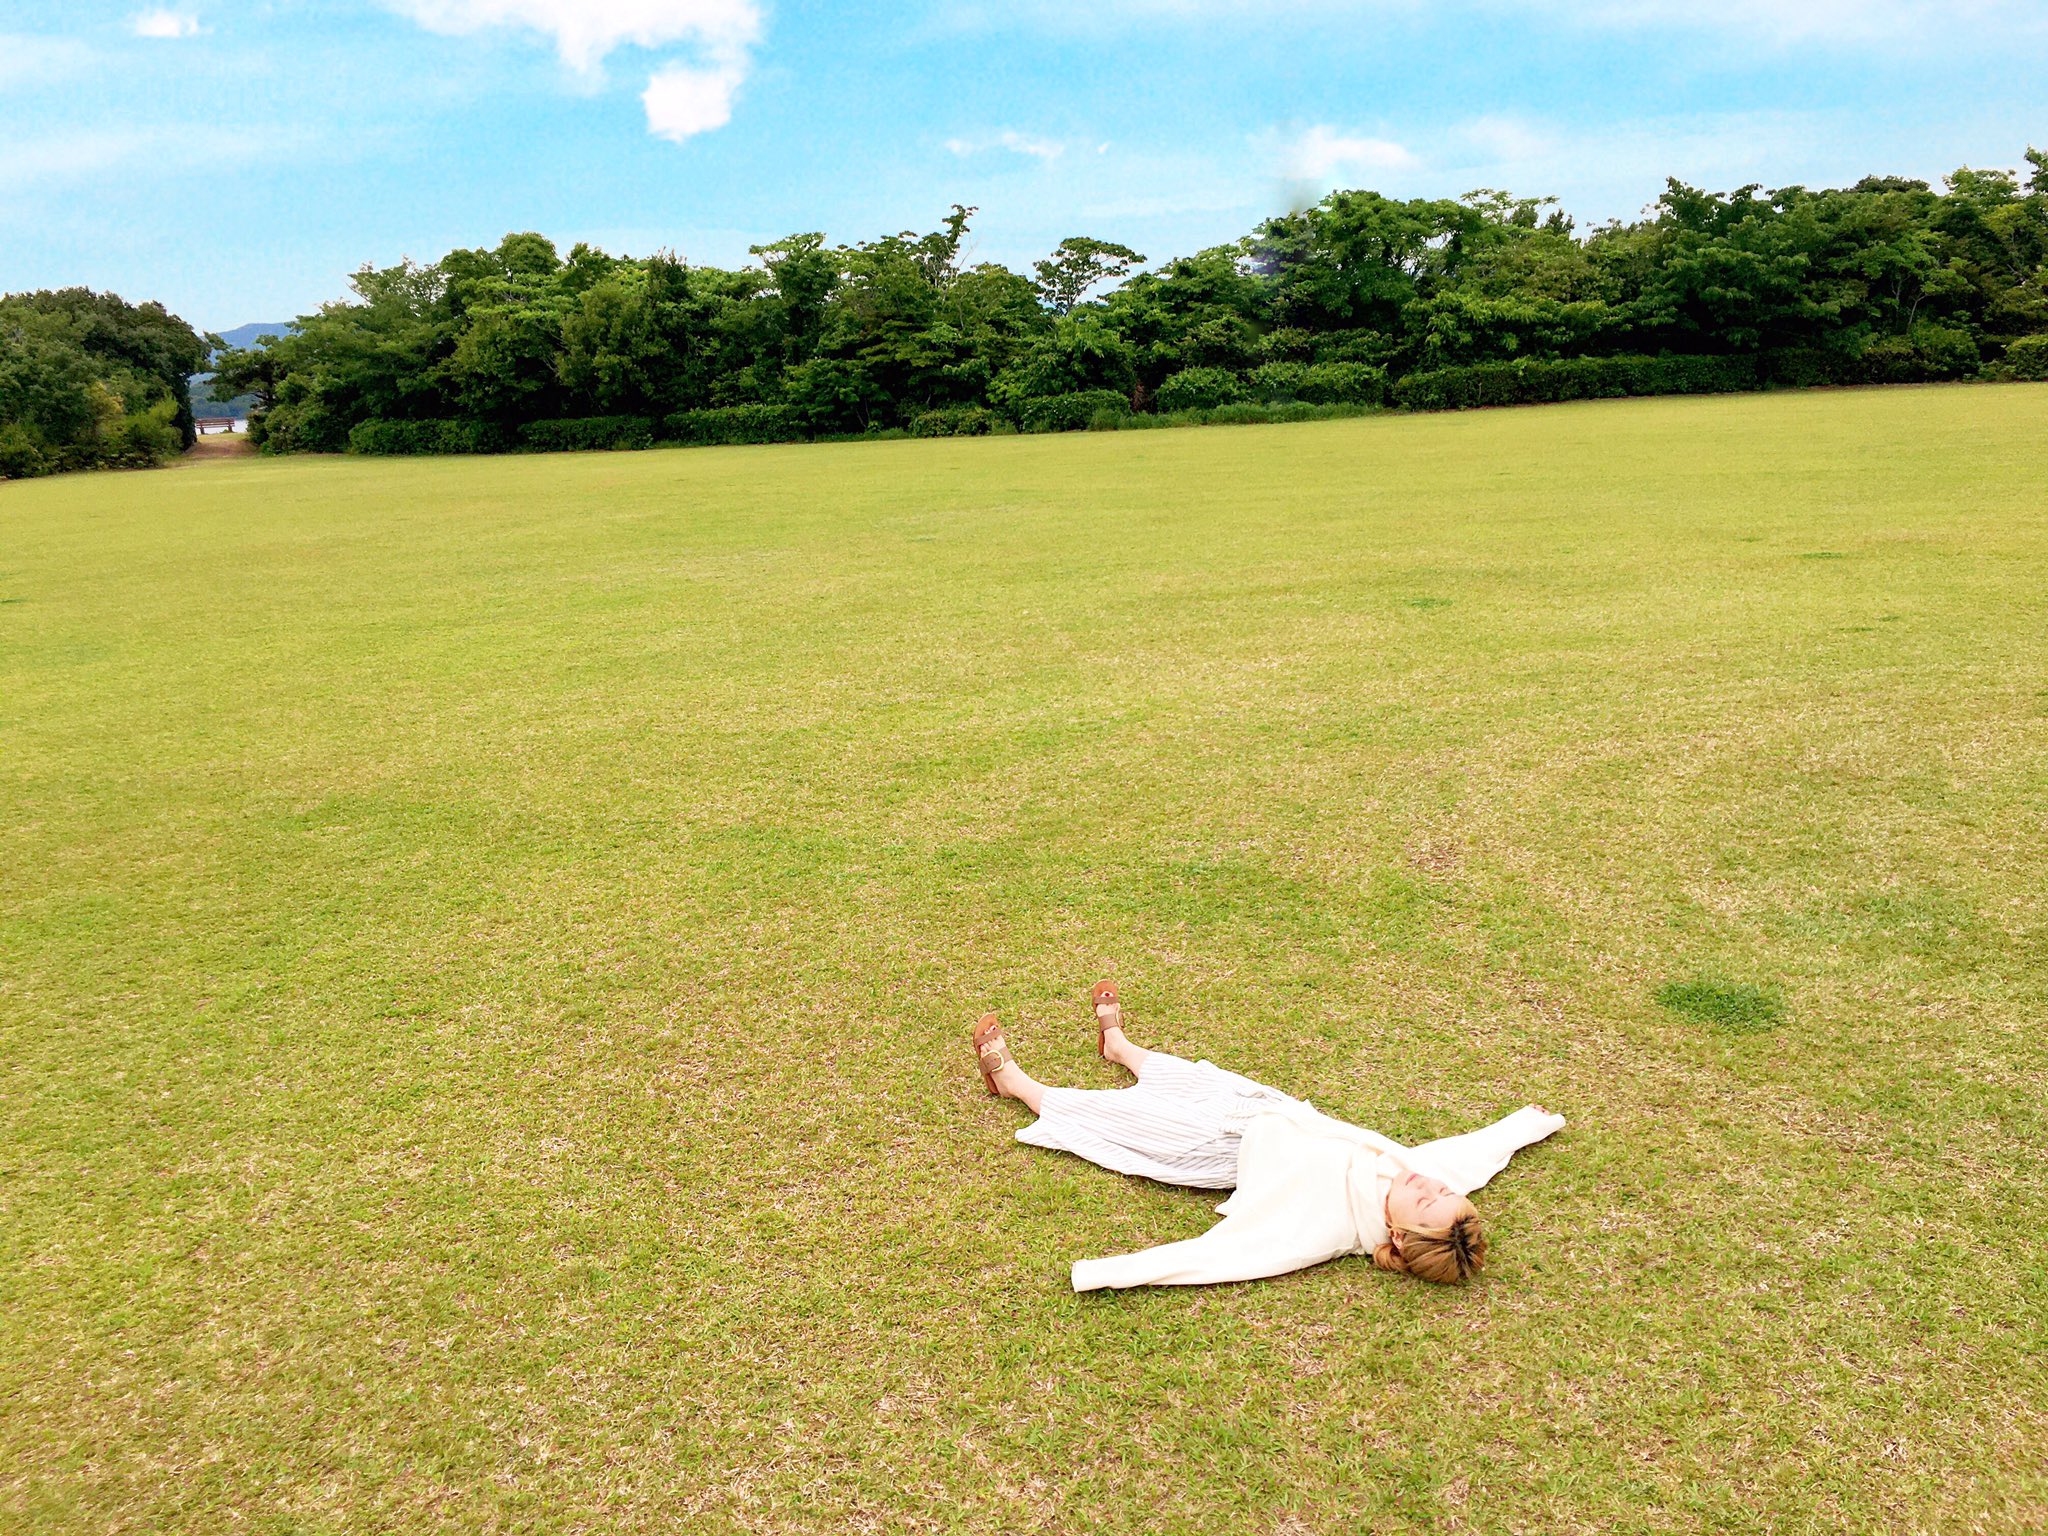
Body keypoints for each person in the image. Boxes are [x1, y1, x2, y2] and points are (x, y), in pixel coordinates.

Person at [972, 981, 1565, 1291]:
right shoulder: (1415, 1176)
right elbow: (1470, 1157)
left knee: (1121, 1119)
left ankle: (1017, 1084)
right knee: (1187, 1074)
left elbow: (1219, 1257)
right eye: (1442, 1191)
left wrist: (1104, 1272)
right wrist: (1525, 1125)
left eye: (1428, 1201)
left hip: (1217, 1150)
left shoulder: (1326, 1230)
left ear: (1397, 1234)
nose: (1431, 1183)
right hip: (1265, 1109)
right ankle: (1121, 1047)